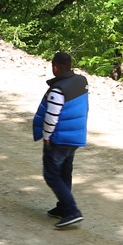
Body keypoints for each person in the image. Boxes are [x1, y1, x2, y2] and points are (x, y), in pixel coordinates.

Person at [33, 51, 89, 229]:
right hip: (75, 136)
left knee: (51, 174)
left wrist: (47, 137)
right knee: (65, 171)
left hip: (59, 138)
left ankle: (72, 211)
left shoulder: (58, 90)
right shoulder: (81, 81)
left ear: (55, 67)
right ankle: (63, 207)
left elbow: (52, 116)